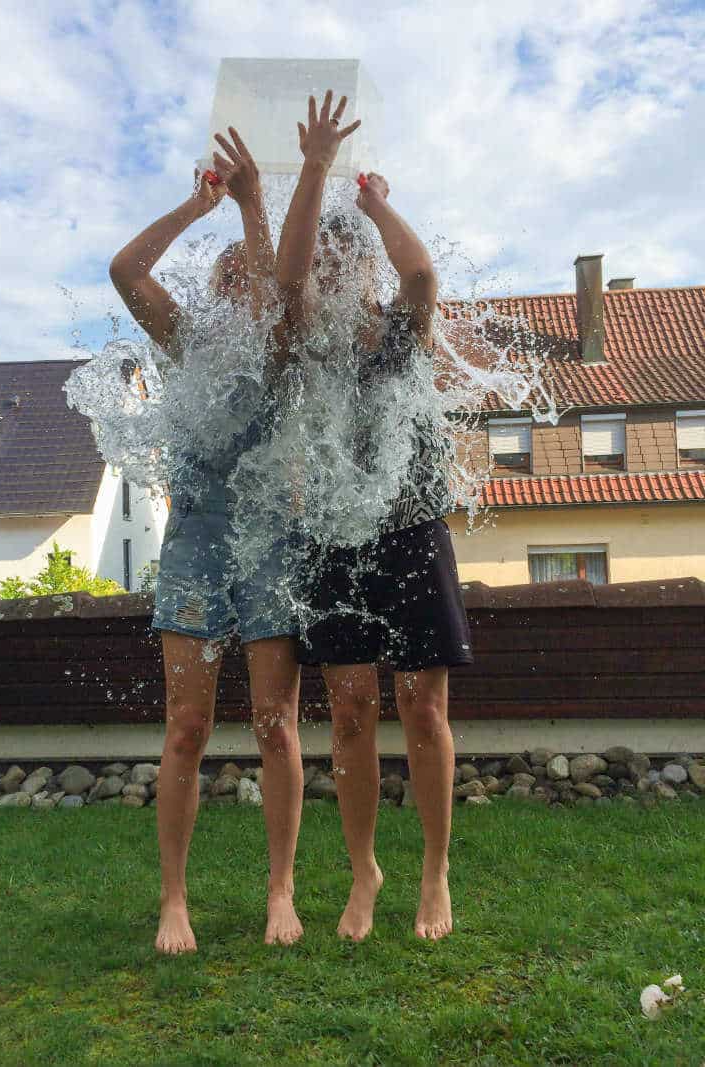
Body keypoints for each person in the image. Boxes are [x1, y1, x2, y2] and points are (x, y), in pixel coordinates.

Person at [275, 91, 473, 943]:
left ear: (366, 273)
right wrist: (313, 175)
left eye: (347, 263)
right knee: (351, 710)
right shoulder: (306, 346)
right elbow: (282, 278)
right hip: (334, 538)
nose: (331, 275)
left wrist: (371, 200)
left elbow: (423, 275)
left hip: (411, 530)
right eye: (326, 265)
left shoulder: (403, 335)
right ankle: (365, 872)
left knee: (423, 707)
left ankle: (434, 873)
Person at [109, 129, 305, 953]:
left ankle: (282, 892)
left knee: (273, 724)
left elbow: (283, 294)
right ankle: (174, 900)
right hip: (194, 544)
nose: (238, 284)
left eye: (246, 274)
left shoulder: (284, 349)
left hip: (272, 543)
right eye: (226, 276)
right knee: (187, 726)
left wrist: (257, 206)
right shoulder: (188, 345)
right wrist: (200, 206)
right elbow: (125, 272)